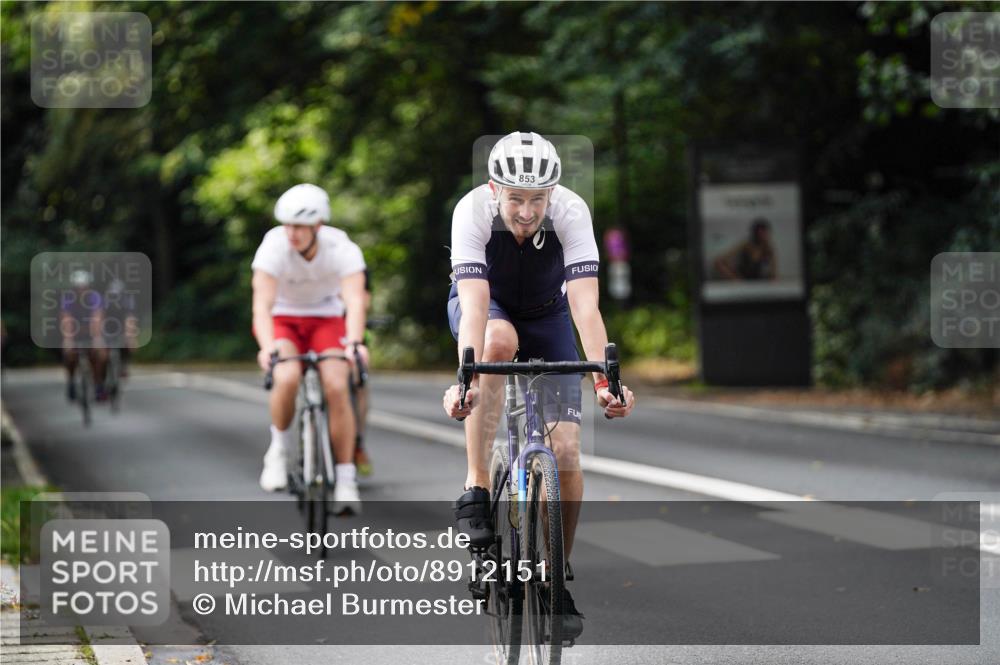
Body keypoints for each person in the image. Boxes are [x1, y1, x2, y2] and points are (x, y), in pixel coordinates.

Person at [441, 131, 636, 639]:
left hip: (550, 315)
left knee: (567, 452)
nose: (526, 212)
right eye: (515, 198)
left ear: (552, 193)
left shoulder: (571, 211)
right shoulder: (472, 212)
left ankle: (554, 579)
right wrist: (465, 376)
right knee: (499, 340)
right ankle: (478, 484)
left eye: (536, 199)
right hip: (492, 310)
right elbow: (476, 307)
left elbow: (585, 307)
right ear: (493, 189)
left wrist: (605, 382)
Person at [252, 183, 369, 515]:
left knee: (336, 384)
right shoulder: (273, 246)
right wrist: (266, 347)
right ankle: (279, 449)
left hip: (326, 320)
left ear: (318, 225)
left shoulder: (341, 246)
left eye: (300, 226)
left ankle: (346, 481)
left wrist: (356, 342)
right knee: (286, 375)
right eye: (287, 224)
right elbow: (261, 305)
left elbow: (355, 299)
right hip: (284, 320)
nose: (292, 233)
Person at [61, 269, 109, 402]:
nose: (81, 290)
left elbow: (97, 318)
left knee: (100, 355)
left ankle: (99, 385)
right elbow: (66, 319)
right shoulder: (69, 298)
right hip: (75, 333)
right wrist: (68, 339)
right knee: (69, 355)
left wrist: (97, 338)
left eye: (83, 287)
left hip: (92, 332)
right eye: (78, 288)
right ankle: (71, 381)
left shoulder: (95, 297)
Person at [712, 217, 777, 281]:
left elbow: (773, 272)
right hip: (742, 279)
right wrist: (734, 278)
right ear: (755, 233)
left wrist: (771, 281)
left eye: (765, 233)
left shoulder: (768, 249)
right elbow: (718, 261)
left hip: (758, 281)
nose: (763, 236)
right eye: (760, 233)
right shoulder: (745, 245)